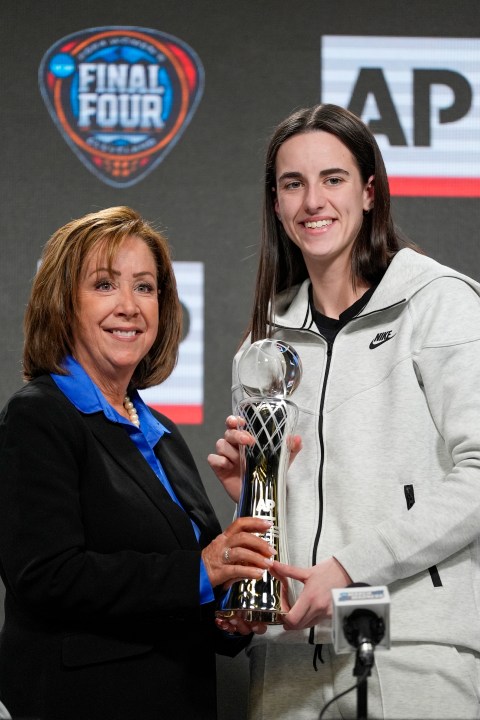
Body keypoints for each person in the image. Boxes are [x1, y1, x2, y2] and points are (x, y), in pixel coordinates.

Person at [208, 104, 480, 719]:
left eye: (333, 179)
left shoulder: (440, 303)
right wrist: (255, 492)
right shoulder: (262, 347)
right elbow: (282, 511)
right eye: (292, 183)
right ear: (275, 203)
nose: (313, 201)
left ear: (369, 191)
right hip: (285, 659)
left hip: (415, 650)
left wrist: (352, 567)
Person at [0, 206, 274, 720]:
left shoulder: (163, 434)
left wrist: (228, 613)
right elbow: (46, 576)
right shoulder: (38, 416)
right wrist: (199, 569)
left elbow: (185, 590)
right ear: (62, 303)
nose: (129, 306)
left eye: (145, 287)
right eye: (105, 285)